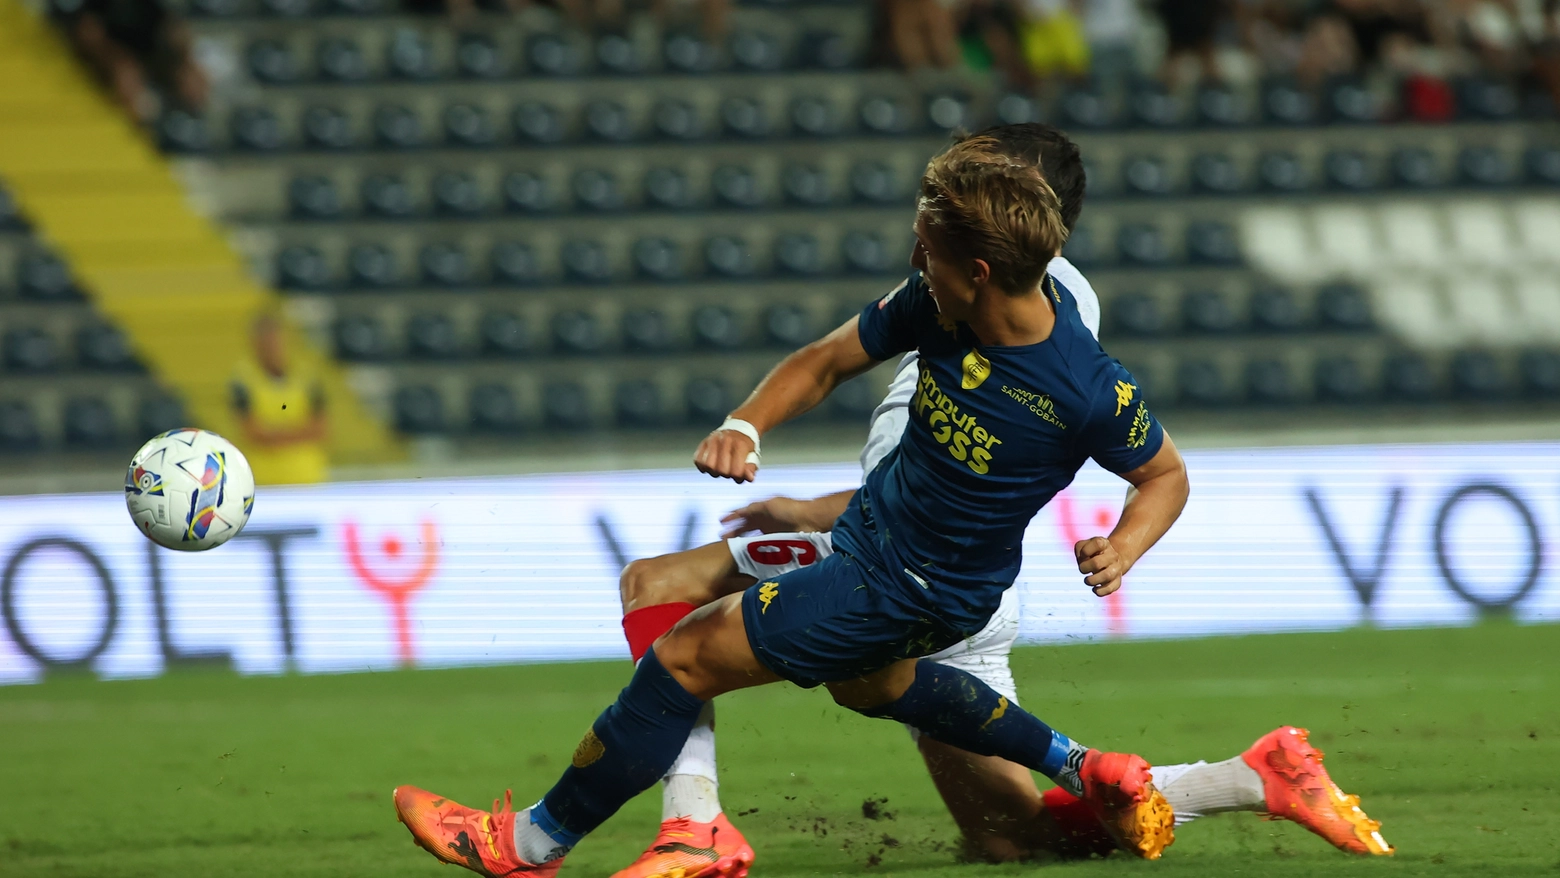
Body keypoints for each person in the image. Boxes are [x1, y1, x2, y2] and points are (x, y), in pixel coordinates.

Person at [602, 124, 1389, 878]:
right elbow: (906, 425)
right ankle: (1250, 779)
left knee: (662, 588)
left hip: (915, 574)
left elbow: (986, 468)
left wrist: (823, 512)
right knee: (1011, 842)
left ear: (1023, 209)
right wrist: (791, 476)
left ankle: (690, 824)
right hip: (915, 555)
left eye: (984, 174)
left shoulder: (1006, 307)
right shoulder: (981, 290)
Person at [394, 130, 1190, 875]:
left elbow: (1165, 476)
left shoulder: (1087, 387)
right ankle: (1084, 766)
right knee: (874, 685)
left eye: (929, 249)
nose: (915, 259)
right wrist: (747, 423)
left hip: (893, 585)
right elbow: (827, 359)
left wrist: (1125, 544)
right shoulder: (943, 307)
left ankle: (529, 844)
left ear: (980, 270)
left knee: (680, 658)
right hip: (905, 570)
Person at [48, 0, 207, 125]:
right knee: (126, 74)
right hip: (105, 58)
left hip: (148, 51)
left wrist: (183, 54)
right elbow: (86, 32)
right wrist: (118, 58)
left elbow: (171, 25)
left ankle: (191, 131)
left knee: (192, 76)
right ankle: (145, 132)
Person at [230, 313, 328, 485]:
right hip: (265, 481)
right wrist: (300, 432)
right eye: (266, 341)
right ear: (255, 344)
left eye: (275, 340)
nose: (272, 347)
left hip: (308, 478)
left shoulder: (308, 377)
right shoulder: (243, 381)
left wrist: (273, 434)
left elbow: (321, 428)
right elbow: (252, 432)